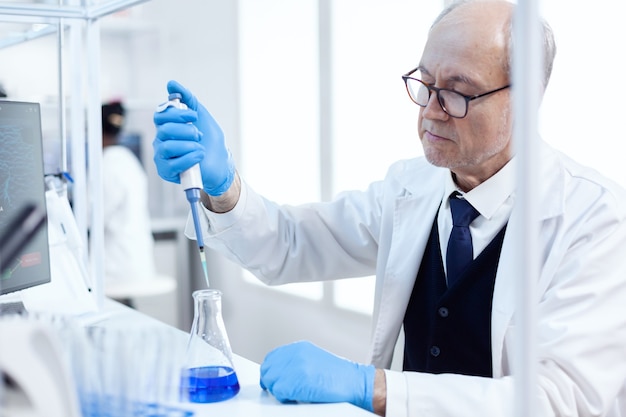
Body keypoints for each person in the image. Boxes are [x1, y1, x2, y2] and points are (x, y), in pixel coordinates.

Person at [152, 1, 626, 416]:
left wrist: (373, 388)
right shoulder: (409, 188)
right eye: (425, 82)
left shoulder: (594, 220)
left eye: (457, 91)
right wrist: (224, 185)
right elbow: (291, 245)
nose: (430, 110)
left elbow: (562, 401)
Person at [101, 101, 157, 301]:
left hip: (116, 263)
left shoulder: (107, 164)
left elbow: (95, 217)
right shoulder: (128, 160)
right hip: (135, 257)